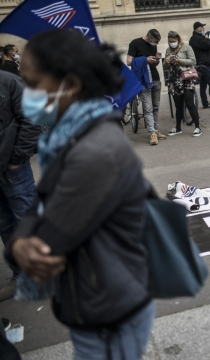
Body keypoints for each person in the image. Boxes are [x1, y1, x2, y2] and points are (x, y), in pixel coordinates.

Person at [6, 29, 154, 359]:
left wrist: (23, 248)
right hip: (93, 300)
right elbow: (39, 206)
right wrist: (20, 245)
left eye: (32, 83)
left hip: (109, 310)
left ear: (69, 85)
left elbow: (51, 233)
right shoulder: (64, 138)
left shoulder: (93, 150)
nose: (24, 92)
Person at [0, 70, 42, 301]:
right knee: (6, 226)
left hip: (13, 171)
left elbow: (33, 119)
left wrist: (16, 159)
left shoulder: (8, 82)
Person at [127, 29, 166, 146]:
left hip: (155, 78)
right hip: (143, 81)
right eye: (155, 41)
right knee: (148, 108)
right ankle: (152, 133)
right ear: (149, 38)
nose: (156, 44)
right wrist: (145, 59)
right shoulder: (135, 43)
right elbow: (128, 61)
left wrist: (157, 59)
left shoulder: (152, 46)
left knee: (156, 106)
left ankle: (155, 129)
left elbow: (154, 63)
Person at [164, 31, 201, 137]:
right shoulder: (168, 50)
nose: (172, 43)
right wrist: (166, 62)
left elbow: (192, 61)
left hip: (186, 77)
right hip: (175, 79)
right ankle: (178, 127)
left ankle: (197, 127)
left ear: (178, 40)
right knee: (178, 105)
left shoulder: (186, 47)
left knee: (190, 103)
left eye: (174, 41)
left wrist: (179, 61)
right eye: (170, 41)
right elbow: (166, 67)